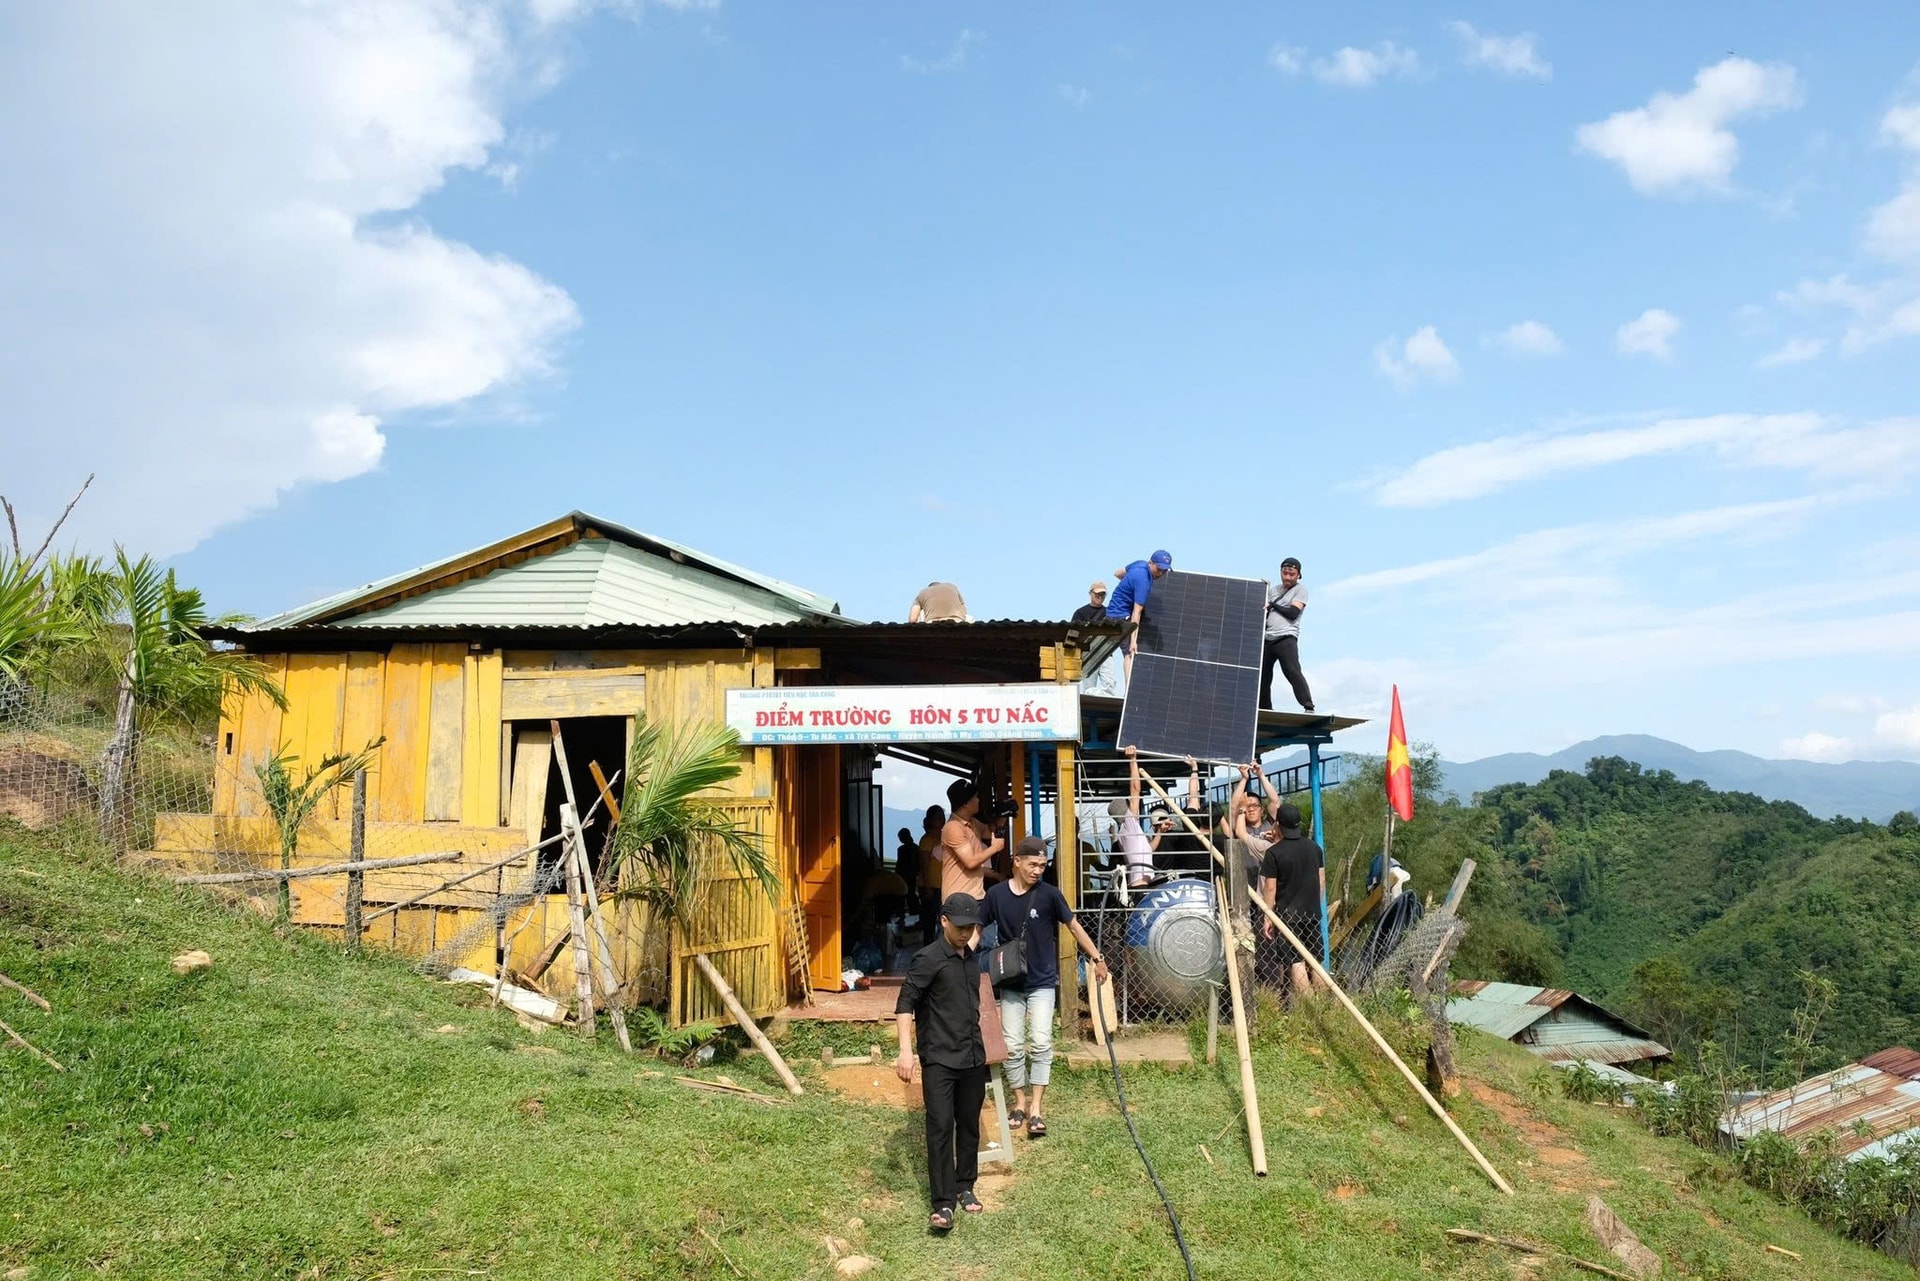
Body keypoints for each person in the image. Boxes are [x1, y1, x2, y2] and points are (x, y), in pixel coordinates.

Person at [985, 836, 1110, 1139]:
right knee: (1012, 1045)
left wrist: (1097, 958)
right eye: (1032, 864)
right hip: (1011, 982)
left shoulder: (1050, 894)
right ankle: (1018, 1102)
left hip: (1042, 981)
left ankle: (1036, 1108)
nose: (1038, 870)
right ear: (1016, 862)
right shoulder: (996, 895)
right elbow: (976, 928)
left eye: (1042, 865)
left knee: (1041, 1042)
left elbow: (1074, 926)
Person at [895, 894, 990, 1234]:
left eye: (971, 927)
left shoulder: (971, 958)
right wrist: (905, 1051)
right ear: (944, 921)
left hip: (972, 1056)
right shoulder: (928, 959)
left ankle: (966, 1185)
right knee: (940, 1127)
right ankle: (943, 1203)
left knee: (969, 1124)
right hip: (939, 1059)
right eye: (960, 927)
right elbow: (905, 1004)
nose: (965, 933)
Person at [1260, 801, 1326, 1003]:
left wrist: (1268, 916)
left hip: (1288, 915)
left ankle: (1309, 1006)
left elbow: (1270, 888)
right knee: (1315, 959)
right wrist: (1315, 903)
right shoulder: (1314, 848)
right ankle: (1324, 1005)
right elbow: (1321, 879)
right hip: (1312, 912)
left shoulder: (1274, 853)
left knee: (1295, 960)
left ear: (1277, 824)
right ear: (1299, 823)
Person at [1091, 549, 1171, 694]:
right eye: (1159, 569)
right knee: (1129, 654)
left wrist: (1128, 586)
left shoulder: (1139, 564)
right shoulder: (1144, 582)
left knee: (1105, 650)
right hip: (1122, 617)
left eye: (1164, 571)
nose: (1161, 574)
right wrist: (1133, 641)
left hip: (1111, 612)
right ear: (1151, 563)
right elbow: (1136, 613)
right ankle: (1130, 692)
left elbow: (1118, 573)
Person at [1260, 557, 1314, 713]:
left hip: (1286, 638)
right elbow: (1264, 613)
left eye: (1292, 574)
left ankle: (1308, 705)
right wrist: (1261, 591)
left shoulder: (1300, 590)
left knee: (1291, 671)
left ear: (1298, 575)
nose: (1288, 577)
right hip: (1268, 638)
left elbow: (1293, 613)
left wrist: (1273, 605)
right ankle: (1264, 707)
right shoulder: (1273, 591)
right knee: (1263, 675)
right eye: (1285, 573)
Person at [940, 779, 1005, 907]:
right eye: (975, 797)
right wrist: (994, 848)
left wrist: (1003, 814)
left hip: (976, 895)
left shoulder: (973, 823)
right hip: (958, 898)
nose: (978, 800)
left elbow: (991, 831)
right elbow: (970, 862)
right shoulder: (953, 827)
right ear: (965, 803)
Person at [917, 806, 945, 943]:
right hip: (930, 886)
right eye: (938, 818)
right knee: (929, 921)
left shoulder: (942, 838)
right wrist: (927, 887)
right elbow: (924, 865)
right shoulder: (927, 840)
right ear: (931, 820)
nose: (942, 820)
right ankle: (928, 947)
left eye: (942, 817)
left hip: (941, 886)